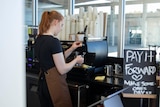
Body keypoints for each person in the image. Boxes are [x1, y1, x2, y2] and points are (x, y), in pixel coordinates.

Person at [34, 10, 84, 107]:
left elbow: (54, 59)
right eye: (61, 25)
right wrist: (76, 60)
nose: (61, 29)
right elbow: (62, 69)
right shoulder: (54, 42)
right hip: (53, 85)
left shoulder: (39, 39)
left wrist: (72, 48)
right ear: (56, 22)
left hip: (43, 83)